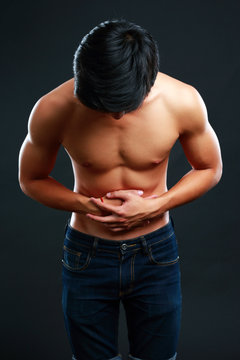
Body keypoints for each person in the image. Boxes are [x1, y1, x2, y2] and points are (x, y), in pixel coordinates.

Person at [18, 19, 223, 360]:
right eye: (102, 104)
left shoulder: (182, 101)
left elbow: (210, 168)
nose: (115, 116)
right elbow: (31, 178)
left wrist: (156, 206)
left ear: (147, 80)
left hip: (154, 253)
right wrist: (85, 205)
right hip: (88, 254)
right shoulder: (52, 108)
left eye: (124, 105)